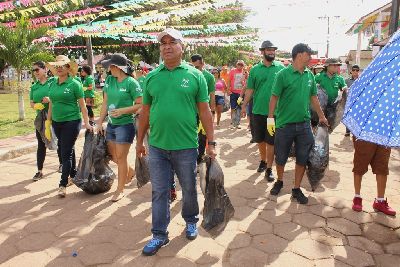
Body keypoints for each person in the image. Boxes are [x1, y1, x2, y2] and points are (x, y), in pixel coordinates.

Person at [136, 28, 215, 256]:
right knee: (159, 191)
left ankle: (191, 220)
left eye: (172, 42)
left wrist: (212, 142)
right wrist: (140, 142)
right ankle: (159, 234)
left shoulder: (195, 75)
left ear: (182, 47)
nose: (167, 46)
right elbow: (145, 113)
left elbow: (205, 111)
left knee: (189, 188)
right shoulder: (151, 77)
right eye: (163, 43)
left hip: (186, 146)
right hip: (158, 147)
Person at [267, 43, 328, 204]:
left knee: (302, 158)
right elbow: (274, 97)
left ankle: (296, 188)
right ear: (300, 55)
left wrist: (321, 116)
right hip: (284, 125)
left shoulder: (309, 75)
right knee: (280, 157)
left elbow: (313, 97)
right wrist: (270, 119)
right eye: (309, 54)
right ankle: (279, 181)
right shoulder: (283, 75)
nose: (311, 57)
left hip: (304, 125)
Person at [97, 53, 142, 202]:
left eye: (110, 66)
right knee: (113, 156)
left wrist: (122, 111)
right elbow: (105, 102)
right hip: (111, 124)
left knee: (121, 158)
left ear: (117, 67)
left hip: (126, 125)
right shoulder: (109, 80)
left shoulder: (131, 83)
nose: (108, 69)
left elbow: (140, 104)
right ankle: (130, 172)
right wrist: (99, 122)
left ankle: (120, 189)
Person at [46, 55, 93, 197]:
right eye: (57, 66)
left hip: (72, 121)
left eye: (62, 66)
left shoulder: (75, 84)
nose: (59, 68)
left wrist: (87, 123)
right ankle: (73, 174)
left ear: (68, 68)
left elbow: (83, 106)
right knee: (64, 149)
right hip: (56, 122)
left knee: (65, 153)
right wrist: (48, 122)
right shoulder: (53, 83)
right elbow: (51, 104)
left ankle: (62, 184)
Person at [241, 40, 285, 182]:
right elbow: (250, 89)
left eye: (273, 50)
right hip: (258, 111)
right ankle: (263, 160)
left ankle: (269, 168)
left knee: (271, 141)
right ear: (262, 52)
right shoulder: (254, 69)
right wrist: (243, 105)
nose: (271, 52)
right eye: (268, 50)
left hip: (275, 113)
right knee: (260, 139)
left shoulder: (281, 68)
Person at [29, 61, 62, 181]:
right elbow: (31, 102)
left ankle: (62, 164)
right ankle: (39, 171)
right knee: (41, 144)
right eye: (33, 71)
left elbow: (59, 94)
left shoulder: (53, 81)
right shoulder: (34, 86)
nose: (35, 72)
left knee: (59, 141)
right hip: (41, 119)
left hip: (56, 117)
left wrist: (50, 99)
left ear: (44, 69)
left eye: (37, 69)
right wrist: (36, 105)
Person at [351, 138, 395, 215]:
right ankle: (357, 197)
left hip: (384, 135)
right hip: (366, 133)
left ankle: (380, 201)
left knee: (382, 167)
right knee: (359, 165)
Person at [191, 54, 216, 164]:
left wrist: (213, 110)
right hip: (190, 111)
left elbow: (212, 95)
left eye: (197, 67)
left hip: (203, 112)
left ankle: (199, 158)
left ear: (202, 63)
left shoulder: (209, 77)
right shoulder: (189, 75)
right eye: (193, 67)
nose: (195, 69)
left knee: (202, 137)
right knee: (192, 135)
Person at [227, 60, 245, 128]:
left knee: (239, 108)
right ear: (236, 65)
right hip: (233, 92)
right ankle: (232, 122)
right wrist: (228, 90)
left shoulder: (245, 72)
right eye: (238, 64)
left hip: (241, 94)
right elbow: (229, 81)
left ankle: (238, 123)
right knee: (233, 108)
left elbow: (247, 83)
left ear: (243, 66)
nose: (240, 66)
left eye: (241, 65)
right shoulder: (232, 71)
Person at [344, 64, 360, 136]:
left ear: (359, 71)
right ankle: (347, 131)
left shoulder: (362, 80)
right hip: (349, 102)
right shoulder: (347, 81)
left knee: (357, 117)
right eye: (353, 70)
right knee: (348, 116)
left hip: (358, 102)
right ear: (351, 71)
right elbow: (343, 90)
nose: (355, 72)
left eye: (357, 70)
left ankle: (355, 132)